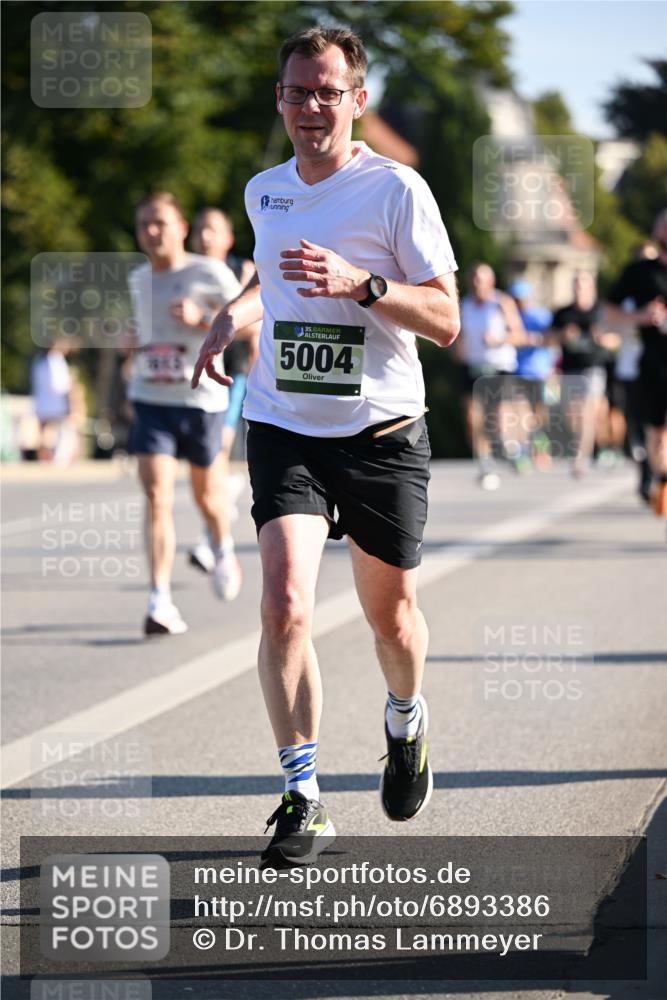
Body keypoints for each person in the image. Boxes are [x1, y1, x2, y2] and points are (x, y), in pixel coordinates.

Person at [191, 26, 460, 867]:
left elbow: (447, 320)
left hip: (381, 431)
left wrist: (362, 285)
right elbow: (268, 280)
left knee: (393, 619)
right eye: (297, 92)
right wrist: (231, 318)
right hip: (284, 424)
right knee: (285, 607)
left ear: (356, 100)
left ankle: (405, 720)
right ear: (280, 100)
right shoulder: (262, 190)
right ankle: (301, 795)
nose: (311, 107)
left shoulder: (395, 191)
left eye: (327, 92)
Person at [127, 192, 242, 636]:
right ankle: (160, 599)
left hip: (201, 400)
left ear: (180, 227)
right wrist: (129, 342)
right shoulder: (137, 280)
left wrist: (200, 319)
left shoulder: (208, 272)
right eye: (144, 225)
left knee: (207, 498)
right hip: (152, 398)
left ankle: (223, 544)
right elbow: (141, 333)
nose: (152, 232)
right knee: (157, 494)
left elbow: (247, 323)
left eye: (159, 223)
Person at [188, 208, 261, 573]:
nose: (204, 237)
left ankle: (212, 543)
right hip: (190, 379)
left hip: (232, 376)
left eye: (212, 229)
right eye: (199, 229)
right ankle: (225, 503)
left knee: (215, 452)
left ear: (228, 237)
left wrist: (202, 319)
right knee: (204, 466)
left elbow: (253, 328)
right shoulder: (182, 273)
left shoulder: (243, 270)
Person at [605, 209, 667, 517]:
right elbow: (608, 311)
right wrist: (640, 317)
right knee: (655, 437)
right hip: (653, 364)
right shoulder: (640, 273)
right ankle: (662, 481)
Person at [456, 263, 525, 489]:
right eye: (474, 278)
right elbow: (455, 335)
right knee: (471, 416)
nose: (478, 283)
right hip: (473, 366)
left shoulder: (501, 302)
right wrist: (458, 347)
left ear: (491, 282)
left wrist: (499, 339)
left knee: (497, 415)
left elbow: (519, 335)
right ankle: (485, 463)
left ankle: (508, 446)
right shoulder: (464, 305)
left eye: (482, 279)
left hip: (499, 365)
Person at [551, 273, 618, 478]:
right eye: (576, 285)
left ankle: (580, 458)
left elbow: (617, 339)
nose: (580, 289)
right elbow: (548, 337)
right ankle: (592, 448)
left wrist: (603, 339)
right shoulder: (563, 313)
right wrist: (562, 336)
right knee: (573, 415)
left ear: (592, 288)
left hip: (594, 368)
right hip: (570, 369)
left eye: (584, 285)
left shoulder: (601, 312)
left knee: (587, 412)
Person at [508, 279, 555, 471]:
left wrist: (532, 340)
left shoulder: (540, 316)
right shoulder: (510, 316)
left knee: (540, 414)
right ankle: (522, 451)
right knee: (522, 413)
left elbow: (552, 339)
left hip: (541, 371)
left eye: (522, 299)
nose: (520, 303)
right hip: (519, 371)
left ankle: (541, 446)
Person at [30, 338, 76, 463]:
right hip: (55, 404)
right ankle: (57, 458)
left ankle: (45, 457)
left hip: (43, 403)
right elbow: (57, 384)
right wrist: (70, 383)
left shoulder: (39, 360)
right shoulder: (55, 360)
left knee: (44, 432)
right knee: (61, 431)